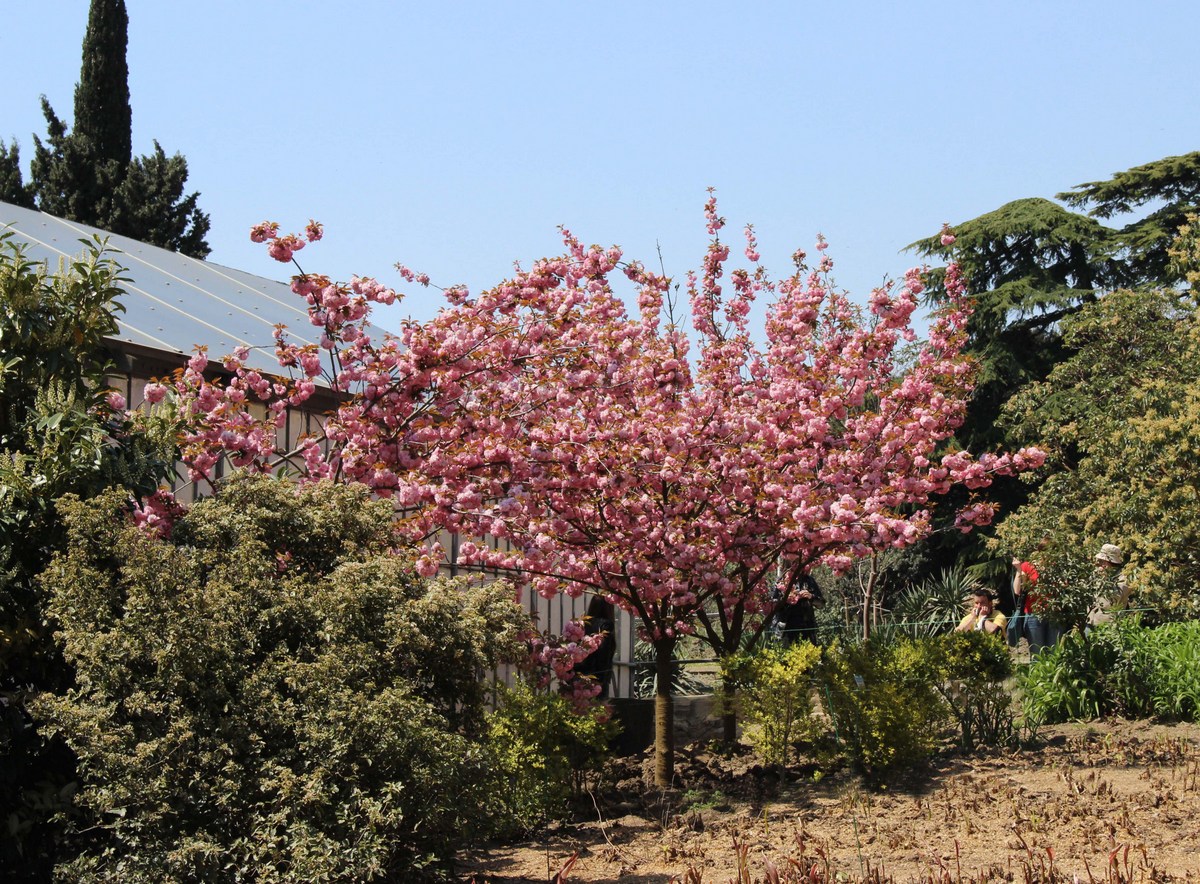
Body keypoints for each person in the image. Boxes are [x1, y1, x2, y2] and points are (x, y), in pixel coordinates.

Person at [573, 595, 616, 698]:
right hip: (597, 674)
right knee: (598, 708)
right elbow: (603, 652)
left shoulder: (582, 625)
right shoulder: (606, 625)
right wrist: (601, 678)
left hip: (580, 672)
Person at [1006, 555, 1051, 654]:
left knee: (1054, 652)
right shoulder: (1027, 566)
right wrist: (1019, 569)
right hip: (1033, 614)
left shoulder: (1057, 567)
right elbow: (1017, 590)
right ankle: (1037, 670)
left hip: (1054, 614)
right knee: (1037, 653)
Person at [772, 573, 824, 646]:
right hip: (785, 628)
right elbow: (773, 605)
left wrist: (811, 597)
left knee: (808, 654)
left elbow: (821, 604)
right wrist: (785, 599)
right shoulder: (781, 581)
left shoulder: (809, 580)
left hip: (807, 627)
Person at [1087, 543, 1131, 627]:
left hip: (1109, 625)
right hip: (1090, 621)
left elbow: (1110, 602)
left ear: (1111, 563)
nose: (1098, 563)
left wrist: (1104, 579)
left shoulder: (1122, 579)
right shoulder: (1096, 574)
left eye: (1102, 561)